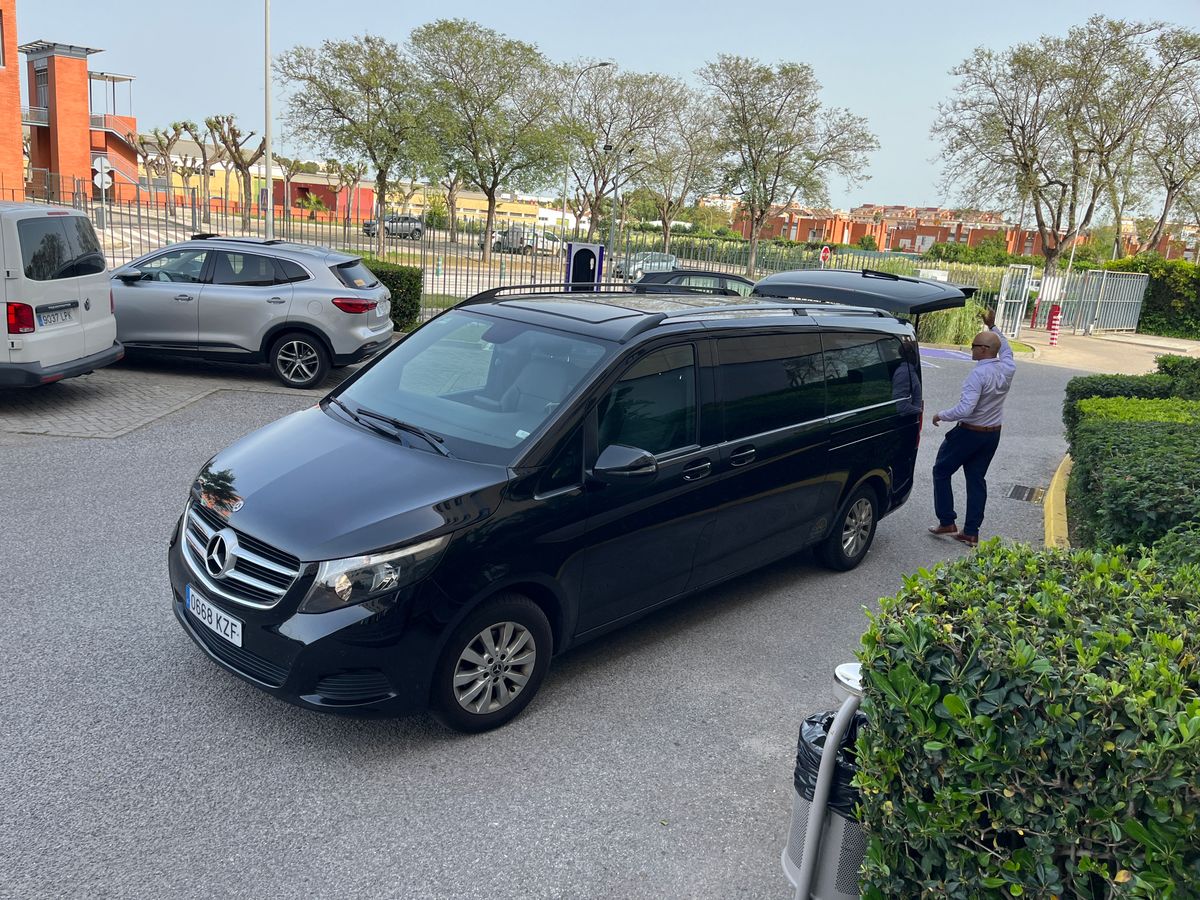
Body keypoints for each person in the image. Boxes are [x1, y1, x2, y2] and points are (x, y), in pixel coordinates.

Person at [927, 308, 1016, 546]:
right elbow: (1006, 348)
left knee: (941, 471)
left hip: (969, 433)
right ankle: (971, 531)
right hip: (992, 434)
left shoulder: (977, 376)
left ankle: (947, 521)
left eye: (974, 346)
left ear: (984, 349)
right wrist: (993, 326)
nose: (971, 349)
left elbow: (966, 409)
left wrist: (941, 415)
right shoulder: (1008, 368)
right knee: (976, 479)